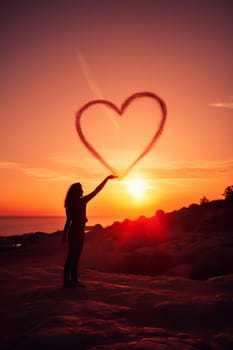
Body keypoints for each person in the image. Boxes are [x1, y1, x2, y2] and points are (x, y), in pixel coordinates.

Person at [62, 175, 117, 288]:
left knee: (71, 256)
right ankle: (73, 281)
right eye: (81, 188)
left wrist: (64, 236)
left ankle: (67, 280)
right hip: (77, 232)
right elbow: (97, 190)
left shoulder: (70, 205)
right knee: (75, 256)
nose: (83, 190)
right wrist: (106, 179)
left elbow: (68, 222)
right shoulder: (82, 202)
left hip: (73, 232)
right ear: (77, 191)